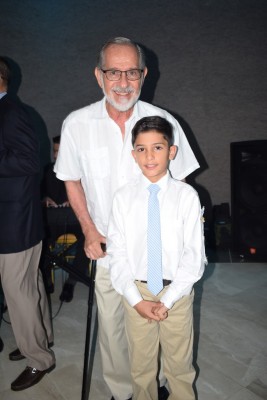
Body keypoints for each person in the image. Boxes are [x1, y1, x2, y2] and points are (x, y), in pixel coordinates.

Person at [54, 37, 200, 400]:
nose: (123, 81)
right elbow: (70, 179)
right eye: (113, 72)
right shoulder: (76, 124)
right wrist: (88, 231)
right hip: (107, 247)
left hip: (160, 249)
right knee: (114, 326)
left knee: (167, 321)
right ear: (98, 76)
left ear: (144, 75)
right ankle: (125, 393)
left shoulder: (163, 121)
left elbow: (179, 182)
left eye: (131, 72)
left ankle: (162, 384)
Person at [108, 116, 206, 400]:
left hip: (176, 292)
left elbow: (193, 257)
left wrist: (167, 299)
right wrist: (136, 301)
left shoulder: (186, 196)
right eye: (141, 149)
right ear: (133, 154)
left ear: (171, 151)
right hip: (136, 291)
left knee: (179, 366)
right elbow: (117, 252)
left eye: (158, 148)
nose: (149, 156)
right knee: (141, 367)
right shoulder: (123, 198)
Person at [0, 57, 55, 391]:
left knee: (17, 290)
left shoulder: (11, 113)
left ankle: (39, 359)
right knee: (29, 286)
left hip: (14, 221)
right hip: (18, 217)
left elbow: (28, 161)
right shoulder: (11, 112)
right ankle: (39, 337)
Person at [41, 134, 88, 302]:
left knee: (88, 238)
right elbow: (39, 193)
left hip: (75, 219)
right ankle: (46, 278)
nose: (55, 156)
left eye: (59, 152)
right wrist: (45, 199)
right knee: (39, 238)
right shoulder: (48, 170)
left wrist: (75, 200)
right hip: (52, 219)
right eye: (54, 152)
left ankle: (72, 281)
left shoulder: (82, 172)